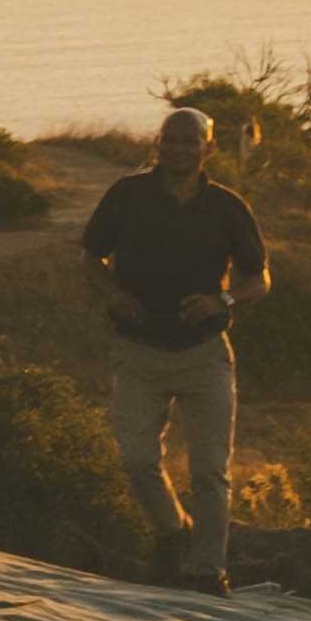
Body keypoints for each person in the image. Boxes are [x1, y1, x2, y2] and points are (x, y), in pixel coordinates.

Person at [85, 105, 270, 592]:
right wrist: (114, 295)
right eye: (172, 139)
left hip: (204, 354)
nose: (180, 149)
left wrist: (221, 300)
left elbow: (259, 279)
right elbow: (90, 255)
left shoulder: (228, 207)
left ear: (209, 148)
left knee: (210, 472)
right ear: (157, 144)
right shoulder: (127, 195)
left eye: (191, 141)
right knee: (136, 460)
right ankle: (173, 531)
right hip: (138, 351)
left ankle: (207, 572)